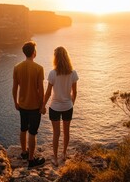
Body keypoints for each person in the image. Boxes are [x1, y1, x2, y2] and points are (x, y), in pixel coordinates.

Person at [41, 46, 78, 166]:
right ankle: (64, 153)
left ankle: (55, 158)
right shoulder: (73, 73)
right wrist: (71, 102)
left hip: (55, 107)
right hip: (68, 106)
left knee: (56, 133)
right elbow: (75, 92)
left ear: (56, 58)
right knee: (66, 132)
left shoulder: (53, 73)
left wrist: (42, 106)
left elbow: (47, 93)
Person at [12, 41, 46, 169]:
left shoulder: (17, 67)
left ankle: (24, 152)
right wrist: (42, 105)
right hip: (34, 107)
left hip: (22, 105)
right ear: (34, 53)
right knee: (32, 132)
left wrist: (15, 102)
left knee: (23, 128)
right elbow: (41, 90)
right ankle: (31, 160)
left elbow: (14, 88)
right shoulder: (39, 68)